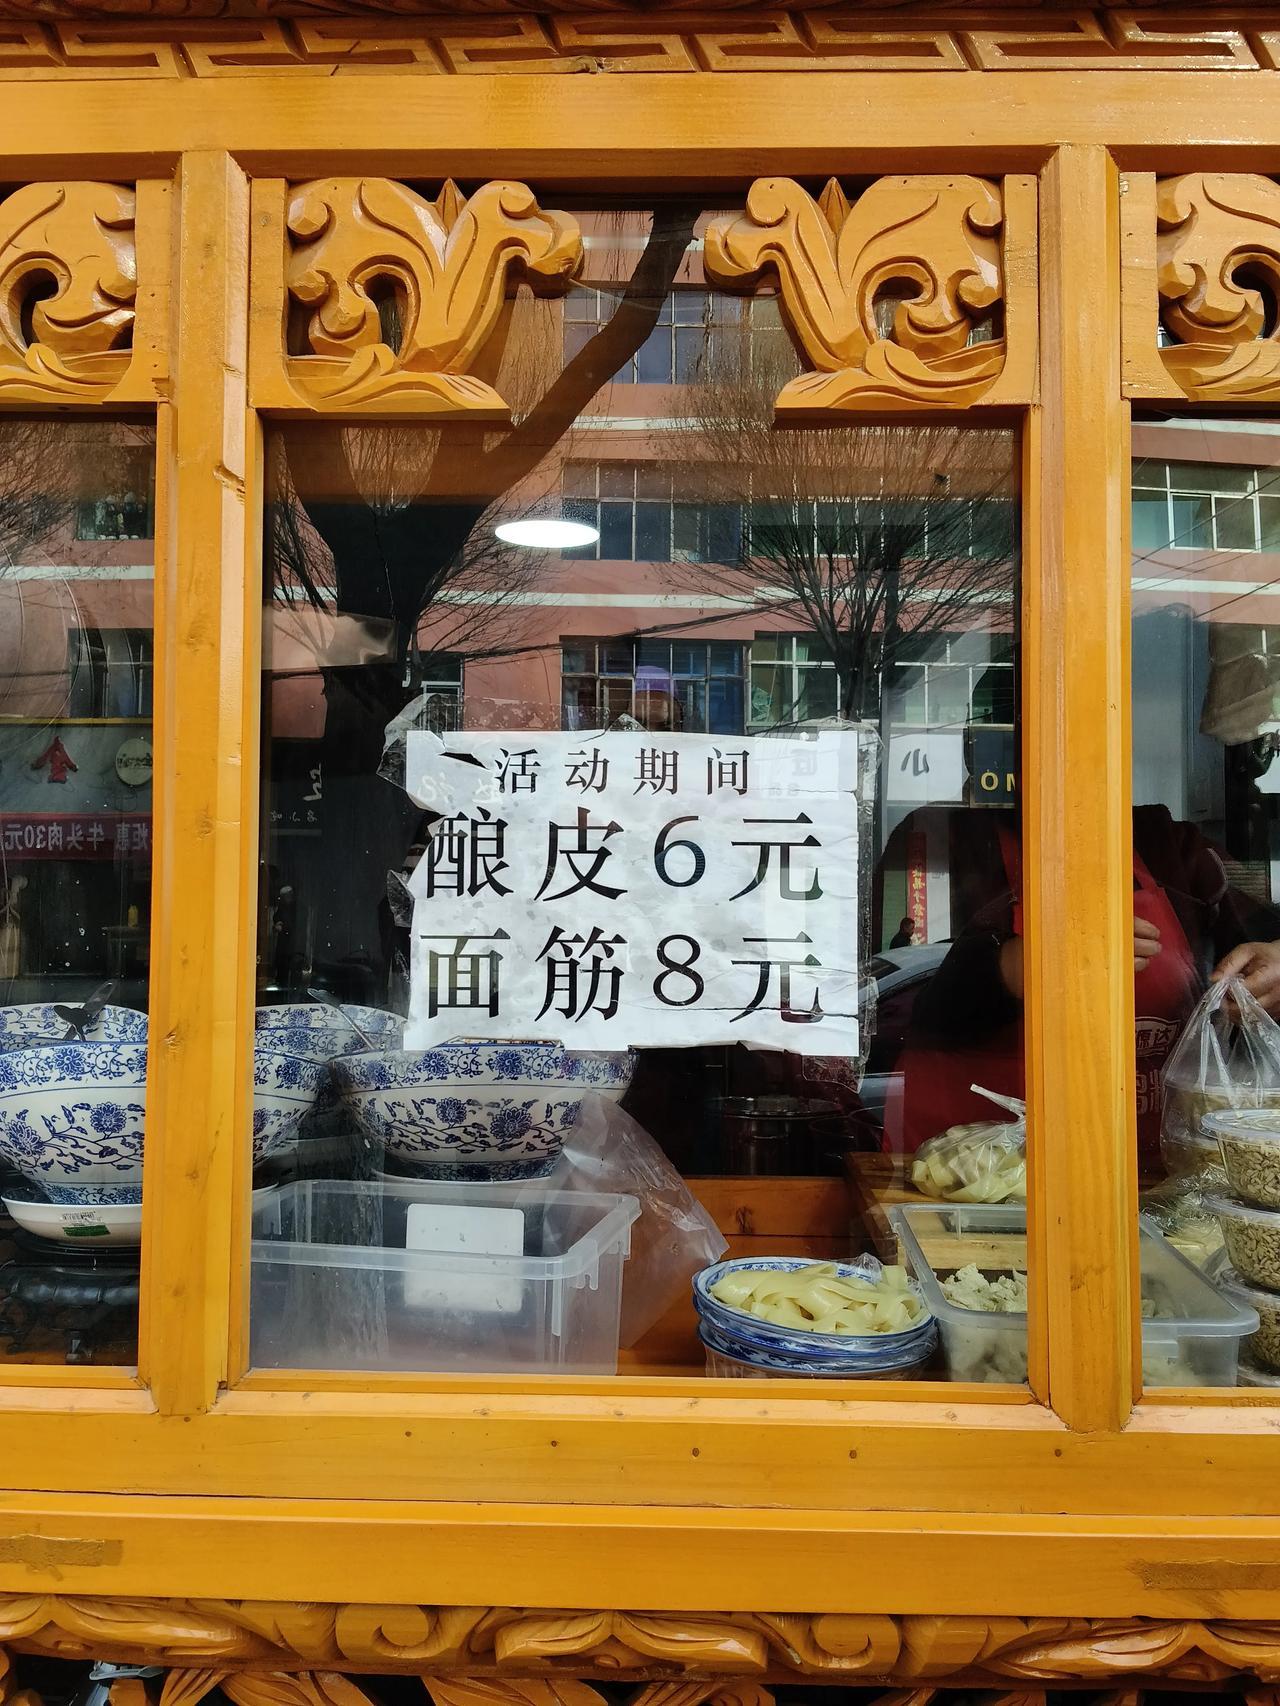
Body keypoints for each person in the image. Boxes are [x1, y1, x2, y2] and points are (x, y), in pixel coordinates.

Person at [896, 804, 1280, 1173]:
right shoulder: (938, 840)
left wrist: (1273, 963)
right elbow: (895, 992)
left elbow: (1259, 938)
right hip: (979, 1170)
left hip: (1158, 1171)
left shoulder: (1170, 846)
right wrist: (1021, 964)